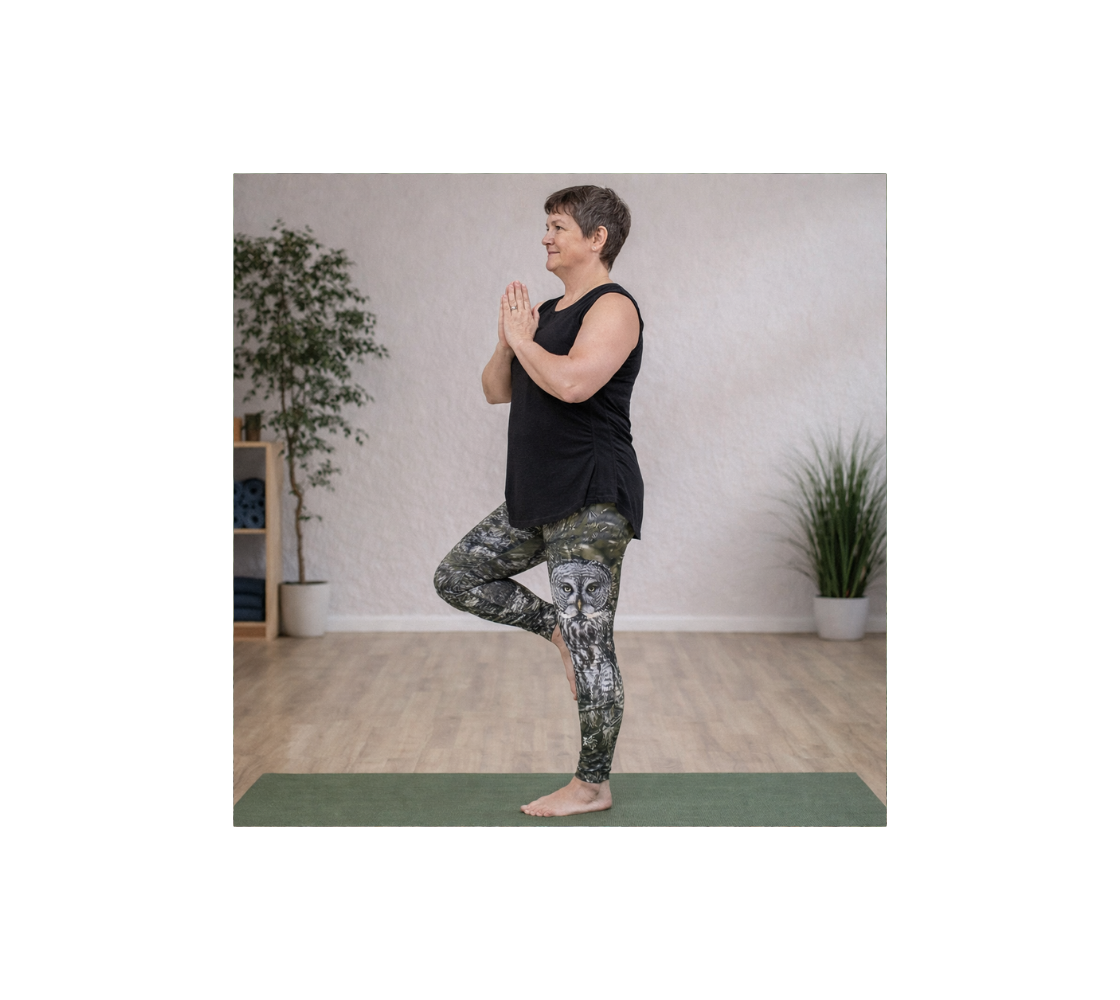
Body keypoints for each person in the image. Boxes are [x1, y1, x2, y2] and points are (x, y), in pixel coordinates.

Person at [434, 185, 645, 817]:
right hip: (538, 494)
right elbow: (497, 391)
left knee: (593, 647)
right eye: (546, 227)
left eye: (556, 226)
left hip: (590, 494)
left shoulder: (614, 307)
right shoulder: (547, 311)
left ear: (596, 237)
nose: (545, 237)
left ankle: (592, 785)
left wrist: (527, 343)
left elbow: (576, 384)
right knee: (458, 575)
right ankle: (554, 626)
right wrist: (509, 339)